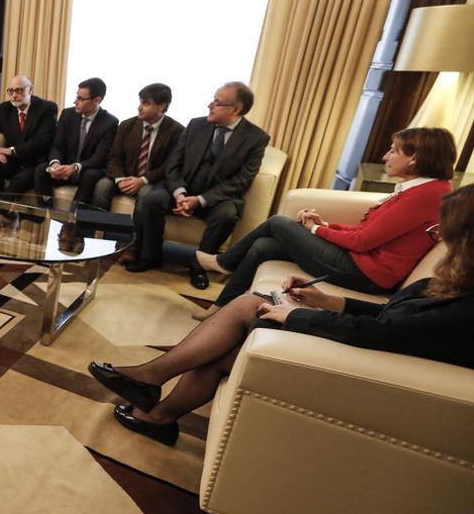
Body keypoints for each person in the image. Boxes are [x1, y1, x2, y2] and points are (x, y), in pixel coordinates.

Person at [89, 183, 474, 445]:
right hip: (371, 344)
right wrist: (330, 301)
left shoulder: (465, 309)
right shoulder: (461, 282)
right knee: (227, 340)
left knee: (249, 306)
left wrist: (295, 317)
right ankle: (159, 413)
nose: (437, 236)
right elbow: (395, 317)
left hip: (367, 364)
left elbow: (384, 335)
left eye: (446, 230)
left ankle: (151, 380)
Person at [192, 127, 456, 320]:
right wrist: (325, 224)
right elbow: (369, 232)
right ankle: (221, 309)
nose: (386, 156)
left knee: (277, 223)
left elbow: (364, 241)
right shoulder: (422, 189)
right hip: (360, 261)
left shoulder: (426, 195)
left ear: (414, 157)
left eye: (393, 151)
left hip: (367, 274)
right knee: (263, 246)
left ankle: (222, 263)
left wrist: (315, 229)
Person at [128, 82, 269, 289]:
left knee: (228, 215)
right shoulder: (196, 125)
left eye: (217, 102)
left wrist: (200, 200)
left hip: (216, 199)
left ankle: (199, 266)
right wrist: (180, 193)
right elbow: (173, 164)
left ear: (236, 109)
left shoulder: (256, 138)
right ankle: (151, 256)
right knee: (150, 198)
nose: (209, 105)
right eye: (213, 99)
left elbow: (242, 180)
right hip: (183, 190)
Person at [91, 84, 185, 225]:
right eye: (140, 101)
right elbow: (114, 157)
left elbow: (170, 165)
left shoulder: (176, 131)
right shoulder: (126, 125)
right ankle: (95, 233)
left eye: (146, 103)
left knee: (146, 194)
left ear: (162, 107)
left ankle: (134, 242)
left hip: (151, 181)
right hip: (124, 176)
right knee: (102, 186)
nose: (139, 107)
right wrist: (120, 179)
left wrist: (143, 180)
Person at [0, 75, 58, 194]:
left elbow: (41, 143)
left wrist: (6, 150)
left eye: (19, 90)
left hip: (35, 164)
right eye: (11, 91)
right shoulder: (5, 109)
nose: (14, 95)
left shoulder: (46, 108)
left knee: (18, 181)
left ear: (30, 90)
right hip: (14, 163)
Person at [36, 77, 118, 203]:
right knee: (42, 169)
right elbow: (57, 145)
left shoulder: (109, 122)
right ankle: (45, 213)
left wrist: (75, 167)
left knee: (90, 175)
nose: (75, 102)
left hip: (86, 170)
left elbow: (100, 157)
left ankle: (74, 218)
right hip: (65, 168)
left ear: (97, 100)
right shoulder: (68, 114)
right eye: (77, 96)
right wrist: (55, 164)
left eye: (81, 99)